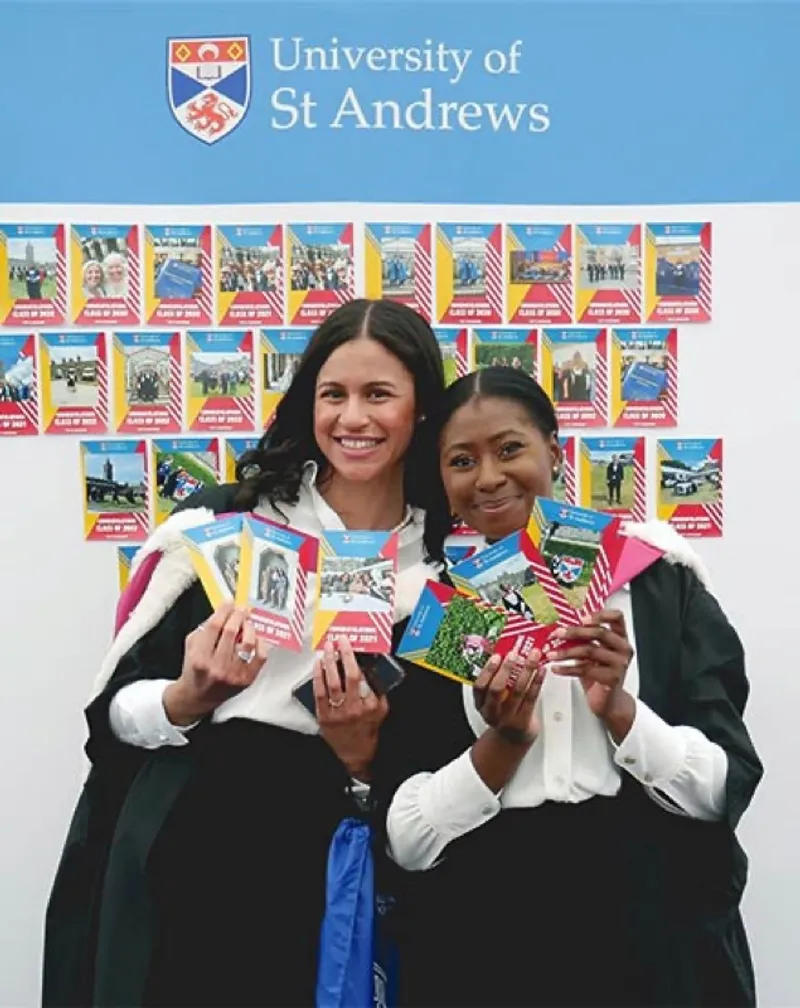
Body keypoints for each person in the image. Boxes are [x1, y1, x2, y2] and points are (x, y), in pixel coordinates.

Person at [42, 298, 446, 1008]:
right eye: (333, 395)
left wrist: (362, 756)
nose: (353, 419)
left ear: (421, 410)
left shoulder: (448, 566)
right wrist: (187, 696)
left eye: (379, 394)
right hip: (208, 850)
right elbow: (111, 718)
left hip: (369, 866)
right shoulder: (224, 529)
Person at [378, 367, 762, 1008]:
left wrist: (620, 713)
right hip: (488, 940)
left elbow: (725, 788)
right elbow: (405, 842)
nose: (490, 477)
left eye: (510, 449)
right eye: (462, 460)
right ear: (443, 483)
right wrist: (498, 747)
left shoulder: (659, 586)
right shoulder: (435, 614)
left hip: (655, 931)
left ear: (554, 452)